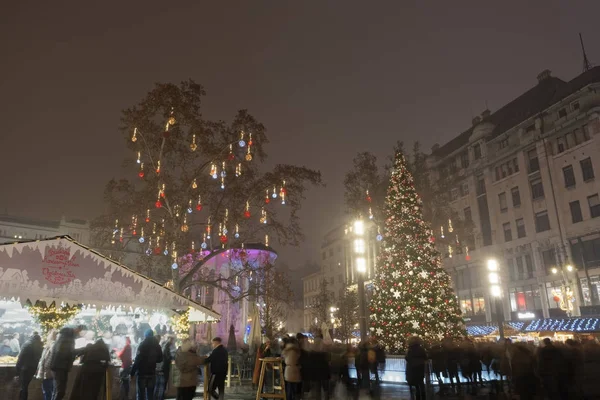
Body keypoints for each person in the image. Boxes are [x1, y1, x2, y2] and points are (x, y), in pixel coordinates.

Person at [50, 325, 85, 400]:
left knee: (57, 390)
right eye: (80, 331)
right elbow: (67, 353)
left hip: (59, 366)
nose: (80, 334)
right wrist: (83, 350)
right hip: (60, 367)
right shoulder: (67, 339)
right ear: (76, 329)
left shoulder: (64, 337)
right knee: (60, 391)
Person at [131, 329, 163, 400]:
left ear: (145, 335)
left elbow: (137, 360)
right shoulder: (157, 345)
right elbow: (160, 359)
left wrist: (132, 373)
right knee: (150, 395)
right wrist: (153, 360)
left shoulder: (142, 345)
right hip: (152, 373)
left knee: (141, 395)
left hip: (142, 373)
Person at [15, 332, 43, 400]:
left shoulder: (27, 344)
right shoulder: (40, 346)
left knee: (23, 388)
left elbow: (20, 358)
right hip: (32, 369)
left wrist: (17, 372)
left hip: (24, 369)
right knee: (25, 387)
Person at [37, 330, 58, 400]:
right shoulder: (51, 345)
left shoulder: (53, 345)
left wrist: (45, 370)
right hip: (48, 372)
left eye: (49, 335)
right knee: (48, 391)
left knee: (48, 391)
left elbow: (48, 359)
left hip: (48, 373)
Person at [405, 336, 427, 400]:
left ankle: (417, 396)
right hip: (420, 368)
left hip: (412, 368)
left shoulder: (410, 350)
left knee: (416, 384)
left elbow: (407, 358)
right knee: (421, 382)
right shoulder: (421, 349)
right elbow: (425, 357)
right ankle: (423, 396)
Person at [155, 336, 175, 400]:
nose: (172, 342)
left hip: (164, 367)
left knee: (161, 384)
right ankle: (161, 396)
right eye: (172, 340)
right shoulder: (166, 346)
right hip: (165, 367)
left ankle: (160, 396)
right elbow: (167, 357)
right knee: (162, 383)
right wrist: (173, 358)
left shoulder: (166, 346)